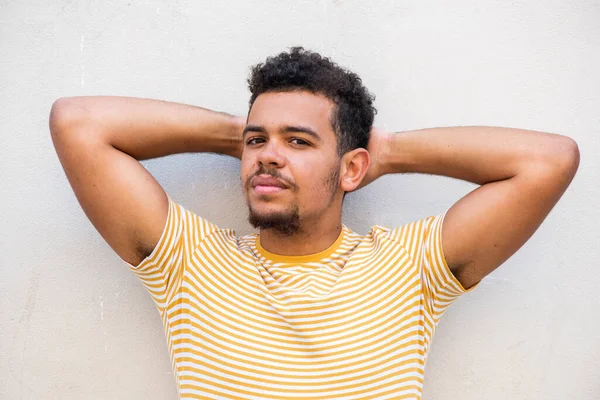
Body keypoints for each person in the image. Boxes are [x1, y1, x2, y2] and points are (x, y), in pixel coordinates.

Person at [49, 47, 579, 399]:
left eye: (299, 141)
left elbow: (548, 161)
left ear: (351, 167)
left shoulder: (410, 264)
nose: (267, 156)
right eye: (256, 142)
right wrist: (249, 133)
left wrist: (383, 150)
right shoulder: (190, 260)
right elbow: (78, 123)